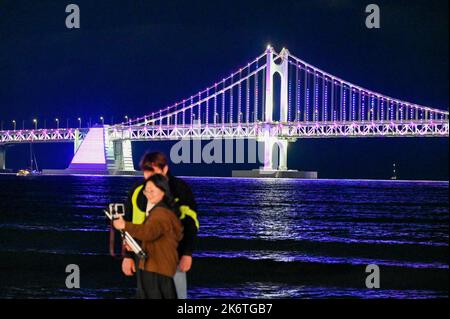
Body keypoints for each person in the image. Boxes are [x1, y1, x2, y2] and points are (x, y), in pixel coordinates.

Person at [122, 151, 199, 299]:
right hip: (143, 258)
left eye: (154, 171)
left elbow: (191, 223)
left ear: (165, 169)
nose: (150, 176)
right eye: (146, 172)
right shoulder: (137, 192)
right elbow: (128, 223)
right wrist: (127, 256)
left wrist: (187, 253)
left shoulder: (180, 190)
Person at [113, 174, 183, 299]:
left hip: (156, 269)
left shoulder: (161, 213)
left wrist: (125, 225)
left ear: (163, 192)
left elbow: (149, 232)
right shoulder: (162, 211)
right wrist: (134, 247)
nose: (148, 194)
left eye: (153, 191)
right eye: (146, 190)